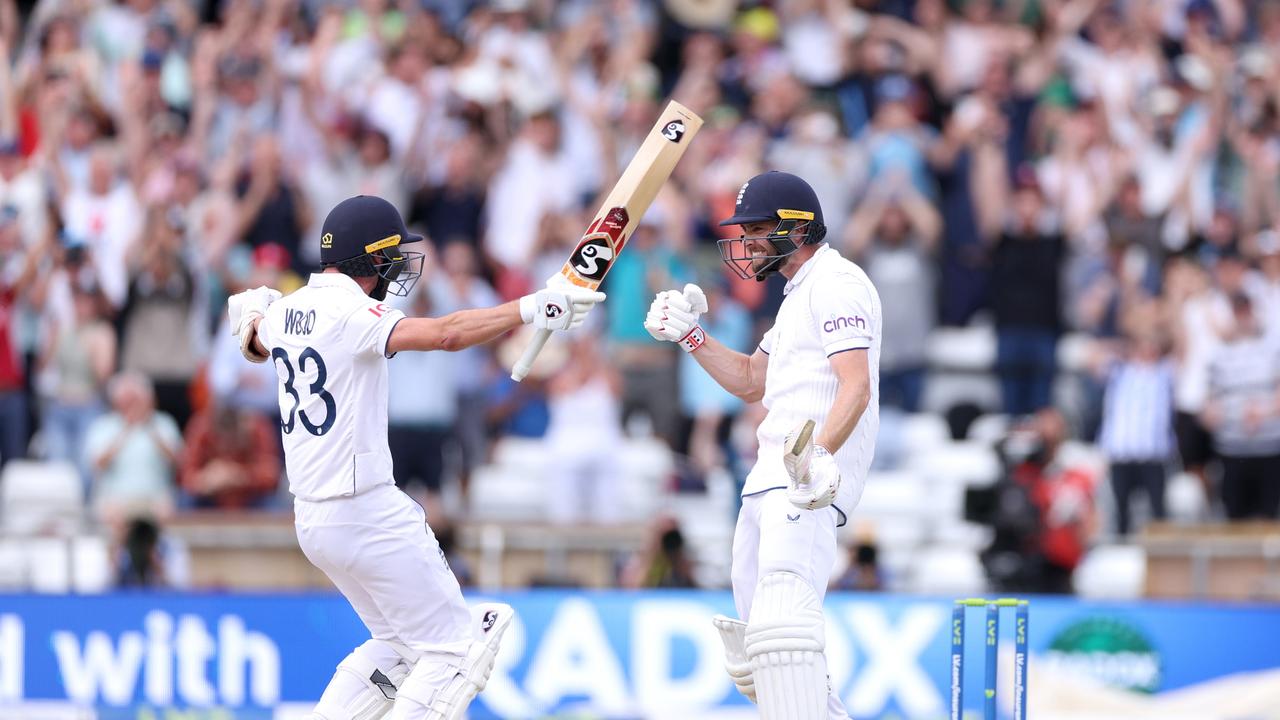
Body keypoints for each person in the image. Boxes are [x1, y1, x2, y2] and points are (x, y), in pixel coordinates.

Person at [226, 195, 604, 720]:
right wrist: (529, 307)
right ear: (370, 259)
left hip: (313, 519)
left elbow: (251, 329)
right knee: (457, 648)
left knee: (399, 646)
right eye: (392, 256)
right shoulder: (353, 312)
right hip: (367, 511)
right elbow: (446, 334)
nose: (399, 267)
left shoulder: (286, 309)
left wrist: (252, 315)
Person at [645, 171, 879, 719]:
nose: (746, 244)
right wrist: (691, 335)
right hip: (769, 474)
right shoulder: (798, 294)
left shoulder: (838, 283)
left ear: (797, 230)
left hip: (804, 483)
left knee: (785, 636)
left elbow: (857, 386)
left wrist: (816, 458)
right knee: (765, 652)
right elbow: (753, 379)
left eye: (755, 231)